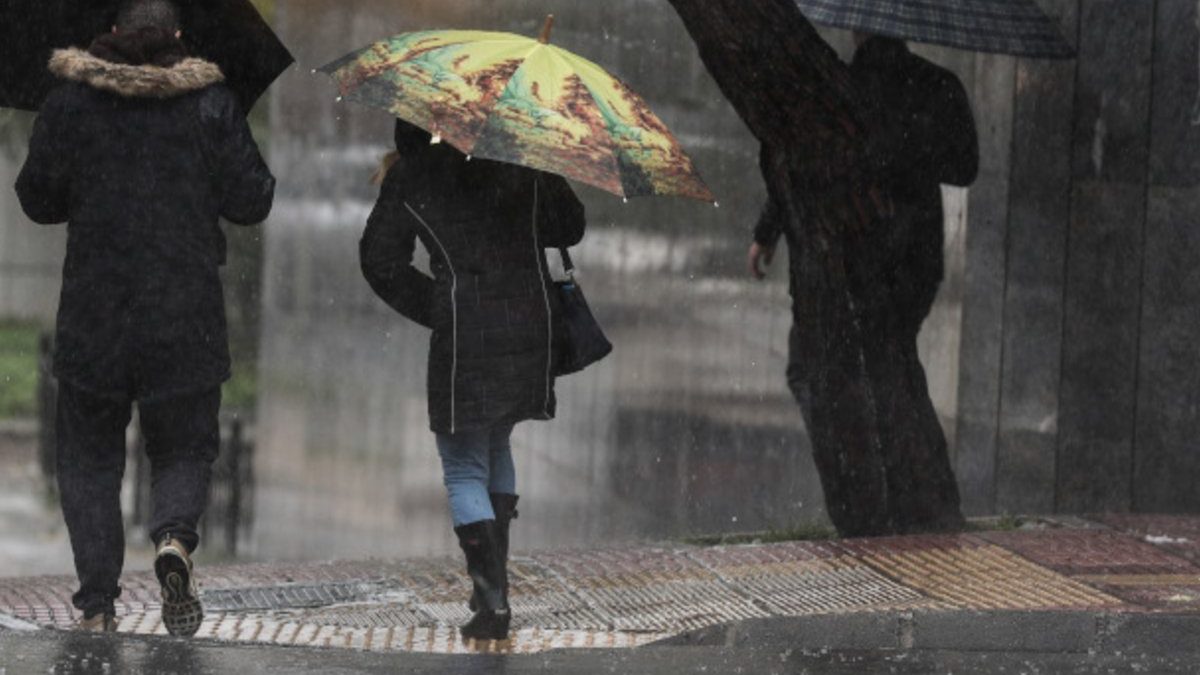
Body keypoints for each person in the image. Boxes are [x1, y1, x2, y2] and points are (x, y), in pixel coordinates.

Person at [15, 0, 274, 635]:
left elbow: (35, 199)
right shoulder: (211, 104)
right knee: (184, 445)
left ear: (107, 33)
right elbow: (254, 199)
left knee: (89, 459)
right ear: (180, 36)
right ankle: (174, 539)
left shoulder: (71, 104)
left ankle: (98, 605)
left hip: (95, 315)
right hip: (184, 315)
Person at [360, 121, 585, 642]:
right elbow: (569, 226)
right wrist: (539, 161)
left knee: (463, 465)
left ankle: (491, 599)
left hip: (466, 334)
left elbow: (378, 261)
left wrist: (440, 306)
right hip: (529, 324)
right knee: (497, 437)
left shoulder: (414, 175)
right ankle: (494, 591)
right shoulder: (514, 160)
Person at [749, 33, 978, 535]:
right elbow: (966, 167)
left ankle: (877, 503)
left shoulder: (840, 87)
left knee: (825, 370)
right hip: (913, 259)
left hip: (856, 256)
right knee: (889, 363)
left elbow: (806, 161)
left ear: (857, 28)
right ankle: (919, 499)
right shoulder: (936, 85)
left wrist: (768, 232)